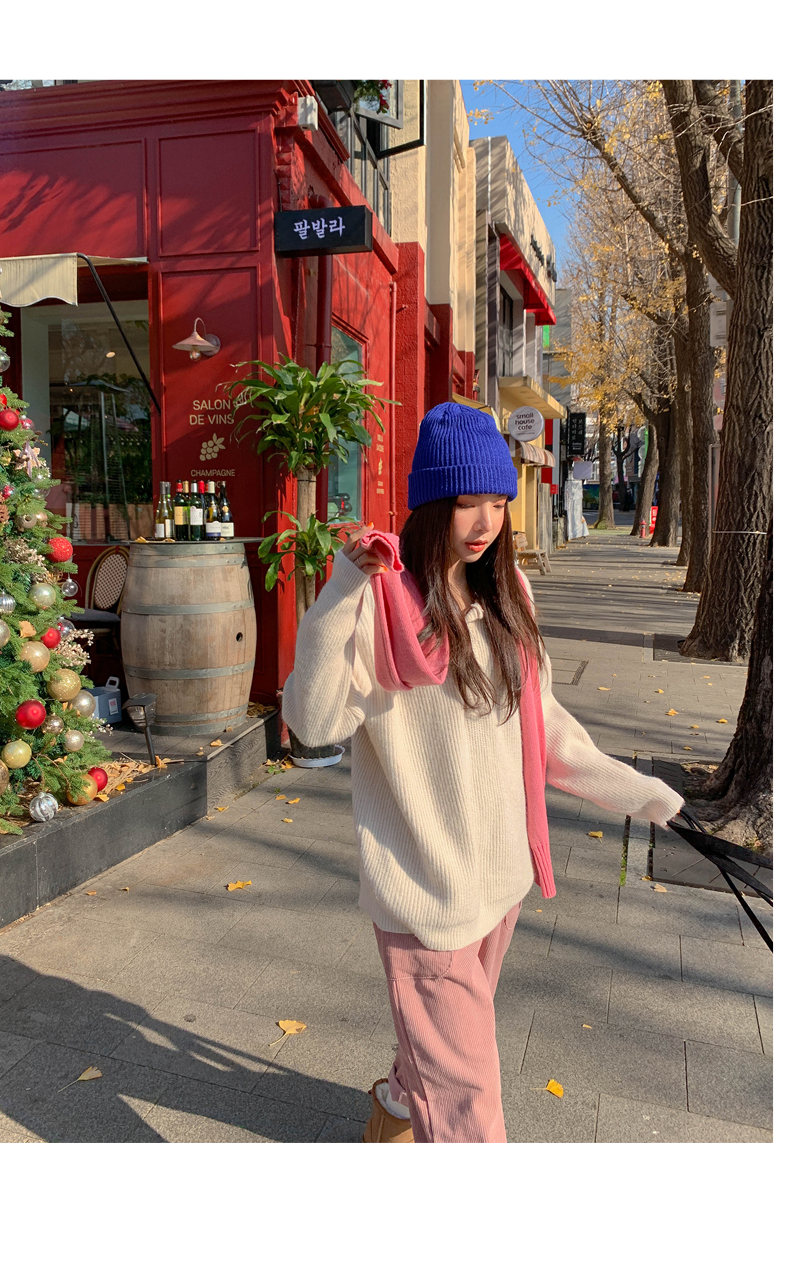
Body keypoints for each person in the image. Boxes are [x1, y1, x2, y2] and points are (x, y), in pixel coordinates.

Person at [281, 402, 682, 1144]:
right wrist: (338, 594)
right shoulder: (383, 605)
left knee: (444, 1056)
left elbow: (545, 729)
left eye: (498, 502)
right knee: (470, 1104)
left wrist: (646, 795)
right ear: (432, 505)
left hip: (501, 884)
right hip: (427, 896)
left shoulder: (509, 596)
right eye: (468, 502)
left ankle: (395, 1109)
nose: (486, 521)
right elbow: (314, 723)